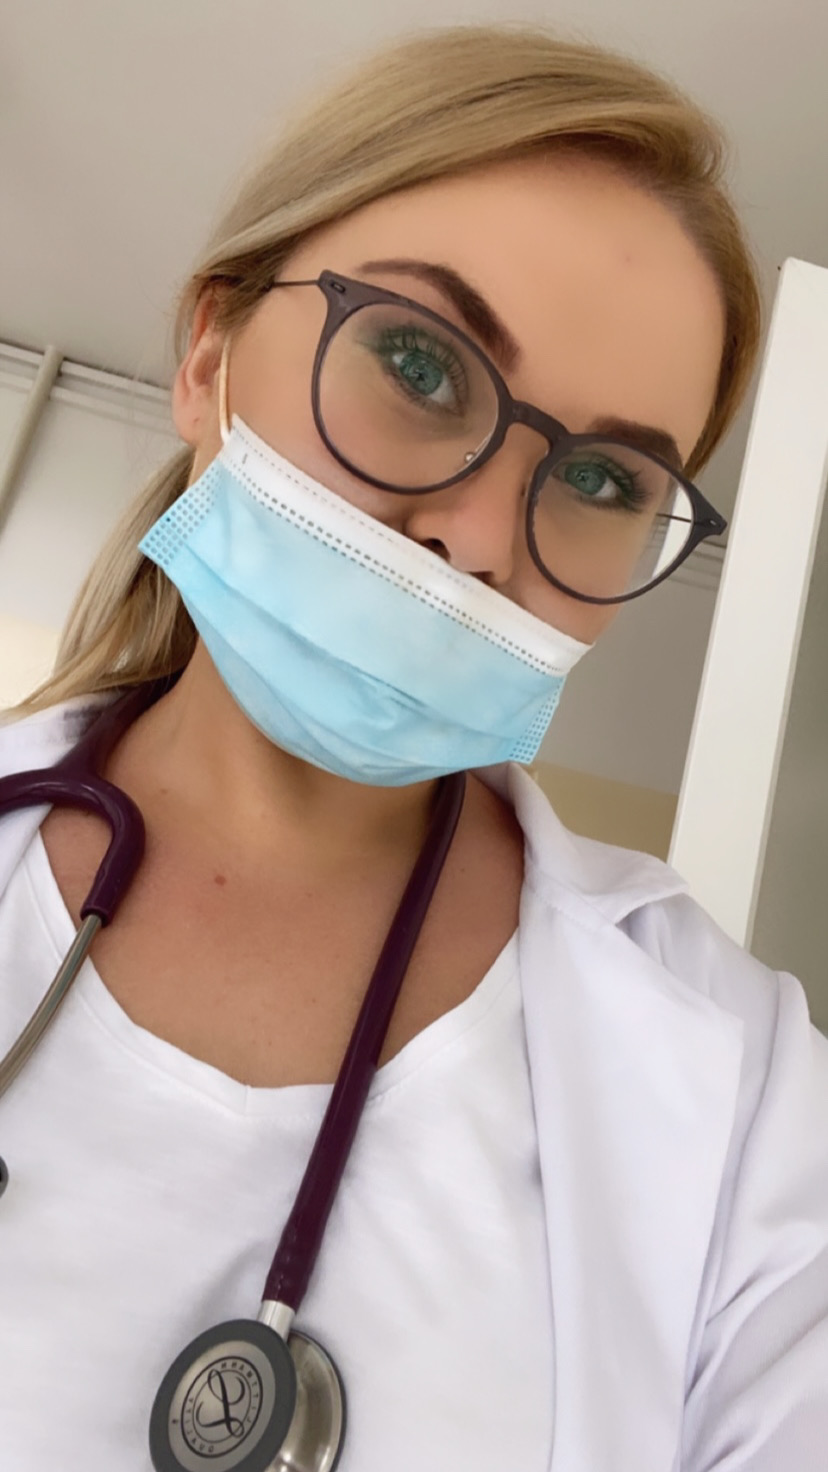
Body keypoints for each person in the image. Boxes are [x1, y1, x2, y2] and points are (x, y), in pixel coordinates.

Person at [0, 21, 826, 1472]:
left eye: (600, 479)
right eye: (420, 363)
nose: (481, 538)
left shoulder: (747, 1096)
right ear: (207, 355)